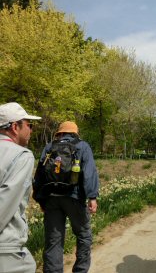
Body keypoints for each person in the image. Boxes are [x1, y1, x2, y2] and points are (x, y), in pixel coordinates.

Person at [33, 121, 99, 273]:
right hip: (74, 197)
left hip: (51, 198)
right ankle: (80, 270)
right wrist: (92, 197)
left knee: (53, 240)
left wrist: (41, 199)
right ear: (75, 133)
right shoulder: (82, 146)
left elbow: (40, 175)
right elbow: (89, 173)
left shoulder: (49, 147)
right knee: (83, 235)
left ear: (60, 133)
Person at [0, 102, 41, 273]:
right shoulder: (22, 156)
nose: (31, 130)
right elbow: (5, 204)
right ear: (15, 127)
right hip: (7, 247)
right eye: (29, 125)